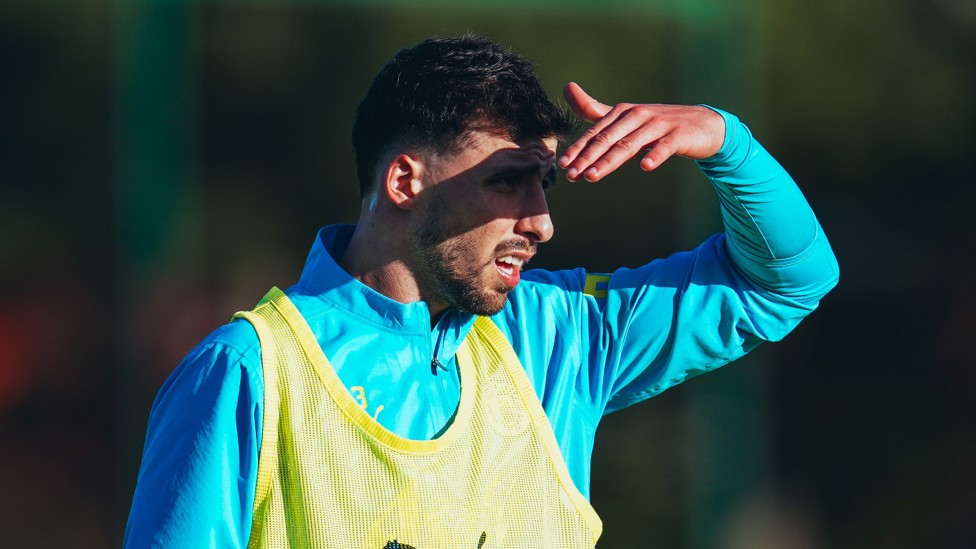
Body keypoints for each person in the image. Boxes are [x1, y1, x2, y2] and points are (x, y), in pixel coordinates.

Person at [124, 35, 838, 548]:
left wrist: (727, 142)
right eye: (507, 182)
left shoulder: (560, 337)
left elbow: (786, 281)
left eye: (544, 182)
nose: (542, 221)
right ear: (405, 181)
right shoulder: (249, 372)